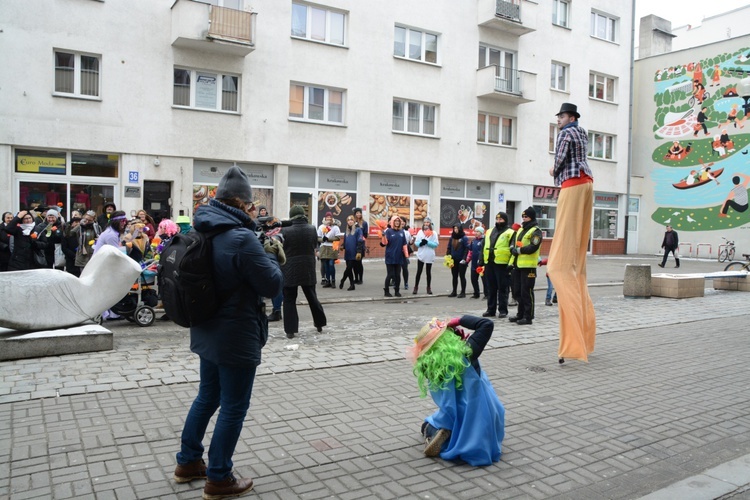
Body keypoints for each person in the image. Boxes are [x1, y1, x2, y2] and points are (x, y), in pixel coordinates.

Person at [174, 165, 284, 499]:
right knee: (234, 405)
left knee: (208, 395)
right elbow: (272, 283)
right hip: (235, 334)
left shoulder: (201, 229)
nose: (253, 211)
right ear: (240, 203)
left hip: (206, 328)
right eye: (251, 205)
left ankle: (188, 462)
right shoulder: (241, 237)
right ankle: (219, 477)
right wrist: (271, 255)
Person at [406, 315, 505, 466]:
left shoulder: (429, 366)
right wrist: (458, 320)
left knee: (428, 424)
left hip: (454, 413)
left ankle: (436, 433)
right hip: (485, 414)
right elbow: (486, 324)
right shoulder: (467, 352)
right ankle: (466, 434)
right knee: (487, 417)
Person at [547, 102, 597, 364]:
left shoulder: (566, 133)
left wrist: (554, 170)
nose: (559, 120)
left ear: (571, 117)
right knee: (576, 261)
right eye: (558, 117)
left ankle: (574, 342)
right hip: (587, 182)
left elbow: (561, 157)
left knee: (559, 266)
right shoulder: (583, 132)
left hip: (573, 184)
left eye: (562, 116)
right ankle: (583, 339)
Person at [281, 205, 327, 339]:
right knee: (312, 296)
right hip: (307, 266)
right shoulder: (311, 228)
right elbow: (314, 245)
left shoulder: (285, 230)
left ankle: (290, 330)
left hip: (289, 267)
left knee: (289, 299)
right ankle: (319, 323)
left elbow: (283, 247)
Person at [508, 207, 542, 325]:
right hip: (518, 265)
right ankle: (520, 314)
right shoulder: (522, 229)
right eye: (523, 216)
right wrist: (513, 249)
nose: (524, 218)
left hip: (529, 266)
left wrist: (519, 250)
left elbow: (533, 246)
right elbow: (515, 243)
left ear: (531, 217)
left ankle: (528, 317)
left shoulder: (536, 231)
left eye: (526, 216)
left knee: (526, 292)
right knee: (517, 292)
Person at [481, 212, 514, 318]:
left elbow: (513, 250)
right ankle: (491, 309)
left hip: (502, 264)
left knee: (503, 288)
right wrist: (481, 260)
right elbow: (483, 246)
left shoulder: (510, 232)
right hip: (489, 262)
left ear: (505, 220)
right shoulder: (489, 231)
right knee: (491, 288)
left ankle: (503, 310)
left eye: (501, 220)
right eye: (497, 219)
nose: (498, 221)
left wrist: (511, 263)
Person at [381, 215, 408, 297]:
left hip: (399, 257)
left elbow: (404, 244)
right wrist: (383, 236)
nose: (397, 223)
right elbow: (385, 243)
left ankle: (397, 291)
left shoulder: (401, 232)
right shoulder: (389, 231)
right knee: (390, 274)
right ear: (392, 222)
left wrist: (406, 256)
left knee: (397, 275)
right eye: (395, 221)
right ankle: (386, 291)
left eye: (398, 221)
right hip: (390, 256)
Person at [412, 218, 438, 295]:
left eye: (428, 222)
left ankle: (428, 287)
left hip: (429, 254)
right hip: (421, 254)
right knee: (419, 271)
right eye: (425, 222)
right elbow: (416, 243)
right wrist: (421, 243)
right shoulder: (420, 232)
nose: (426, 223)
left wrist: (428, 242)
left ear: (430, 223)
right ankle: (416, 287)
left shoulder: (434, 233)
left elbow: (435, 244)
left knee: (428, 272)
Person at [339, 215, 365, 291]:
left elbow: (360, 241)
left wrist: (359, 252)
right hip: (348, 252)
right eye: (348, 220)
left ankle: (342, 280)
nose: (350, 221)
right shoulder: (347, 231)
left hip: (354, 253)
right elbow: (345, 241)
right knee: (349, 270)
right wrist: (342, 246)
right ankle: (352, 285)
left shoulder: (358, 230)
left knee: (349, 268)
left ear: (354, 221)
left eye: (351, 220)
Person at [317, 212, 340, 288]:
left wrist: (329, 239)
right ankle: (327, 281)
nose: (329, 218)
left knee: (331, 264)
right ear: (325, 218)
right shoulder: (321, 227)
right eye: (327, 217)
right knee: (326, 265)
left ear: (332, 218)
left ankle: (333, 280)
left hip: (332, 248)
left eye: (330, 217)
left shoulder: (335, 227)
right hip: (324, 247)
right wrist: (323, 239)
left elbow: (337, 237)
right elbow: (318, 238)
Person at [446, 224, 469, 298]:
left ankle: (463, 292)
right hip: (453, 260)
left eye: (457, 228)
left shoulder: (464, 238)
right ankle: (454, 291)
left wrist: (464, 258)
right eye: (454, 228)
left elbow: (467, 249)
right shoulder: (452, 237)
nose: (455, 230)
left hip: (461, 260)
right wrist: (448, 256)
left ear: (460, 229)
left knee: (462, 276)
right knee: (454, 276)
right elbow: (449, 247)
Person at [61, 212, 82, 276]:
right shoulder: (66, 234)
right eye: (75, 222)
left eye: (79, 222)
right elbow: (64, 248)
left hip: (81, 261)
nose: (77, 224)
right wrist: (73, 255)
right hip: (71, 261)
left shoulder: (82, 233)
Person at [468, 227, 486, 299]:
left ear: (481, 233)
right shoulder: (473, 241)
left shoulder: (484, 241)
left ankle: (487, 294)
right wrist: (467, 260)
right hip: (474, 264)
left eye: (477, 231)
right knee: (473, 279)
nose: (476, 233)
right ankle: (476, 293)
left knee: (484, 280)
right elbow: (470, 252)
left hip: (481, 264)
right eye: (475, 231)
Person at [352, 207, 368, 284]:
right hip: (353, 245)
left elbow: (365, 234)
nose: (359, 214)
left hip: (360, 245)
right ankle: (356, 278)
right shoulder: (352, 222)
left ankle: (360, 278)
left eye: (360, 213)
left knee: (359, 262)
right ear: (354, 214)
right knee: (354, 263)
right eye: (357, 213)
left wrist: (361, 238)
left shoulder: (364, 223)